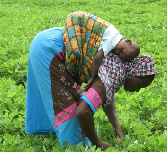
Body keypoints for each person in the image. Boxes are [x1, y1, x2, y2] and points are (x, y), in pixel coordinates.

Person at [25, 13, 155, 151]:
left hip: (50, 38)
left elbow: (107, 97)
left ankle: (50, 130)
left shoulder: (118, 66)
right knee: (69, 111)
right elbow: (83, 112)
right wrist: (98, 144)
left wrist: (118, 130)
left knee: (63, 95)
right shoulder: (113, 73)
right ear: (133, 73)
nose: (137, 90)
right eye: (139, 85)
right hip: (50, 49)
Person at [62, 11, 140, 90]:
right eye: (122, 51)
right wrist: (92, 77)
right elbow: (97, 58)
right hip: (75, 21)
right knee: (75, 53)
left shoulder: (116, 35)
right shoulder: (112, 41)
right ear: (128, 41)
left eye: (119, 55)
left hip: (79, 19)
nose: (117, 52)